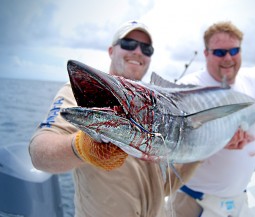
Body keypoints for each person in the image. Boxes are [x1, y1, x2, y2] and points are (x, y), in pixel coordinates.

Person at [29, 20, 198, 217]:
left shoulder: (157, 108)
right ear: (111, 50)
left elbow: (165, 187)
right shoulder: (75, 92)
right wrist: (82, 147)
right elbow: (39, 152)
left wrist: (199, 157)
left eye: (146, 48)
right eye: (128, 43)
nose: (137, 51)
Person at [171, 21, 255, 217]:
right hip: (195, 201)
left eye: (234, 50)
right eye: (220, 53)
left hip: (239, 201)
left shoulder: (247, 77)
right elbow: (175, 147)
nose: (228, 58)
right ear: (206, 53)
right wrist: (219, 143)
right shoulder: (186, 88)